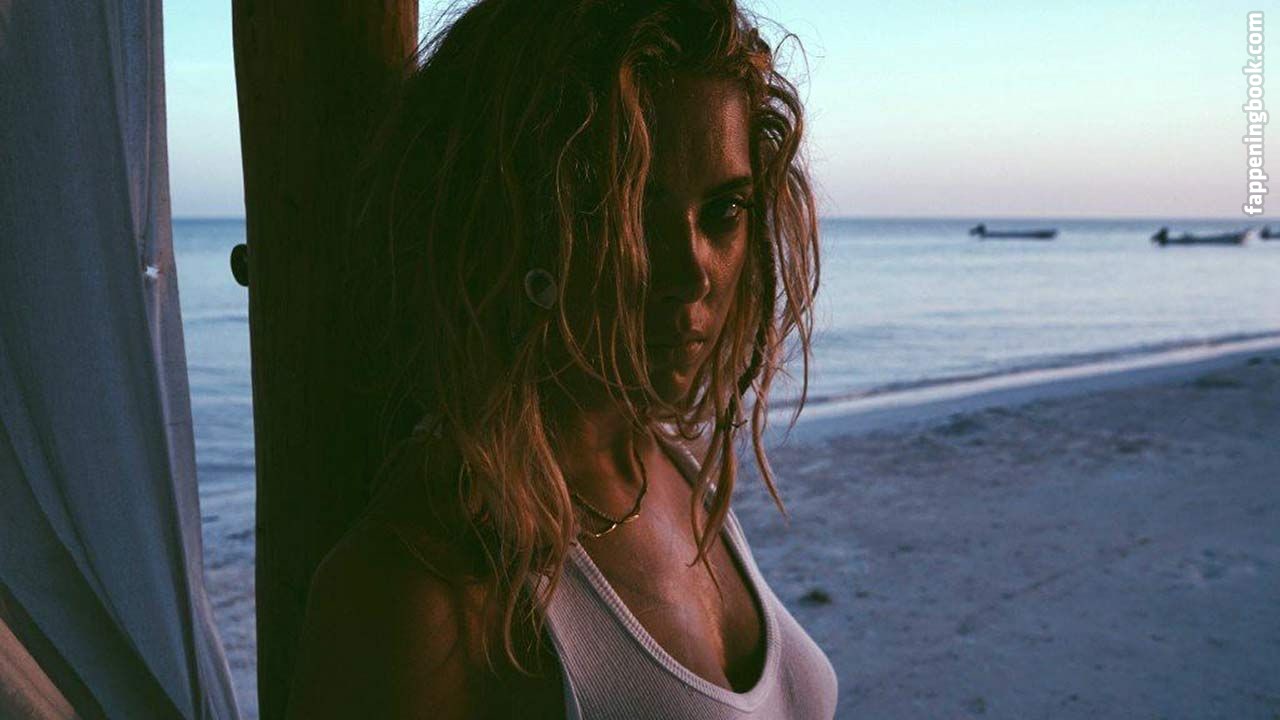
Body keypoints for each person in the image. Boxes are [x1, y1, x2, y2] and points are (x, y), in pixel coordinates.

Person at [284, 0, 836, 717]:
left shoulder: (671, 463)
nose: (693, 271)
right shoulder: (427, 587)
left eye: (724, 210)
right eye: (633, 211)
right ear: (513, 219)